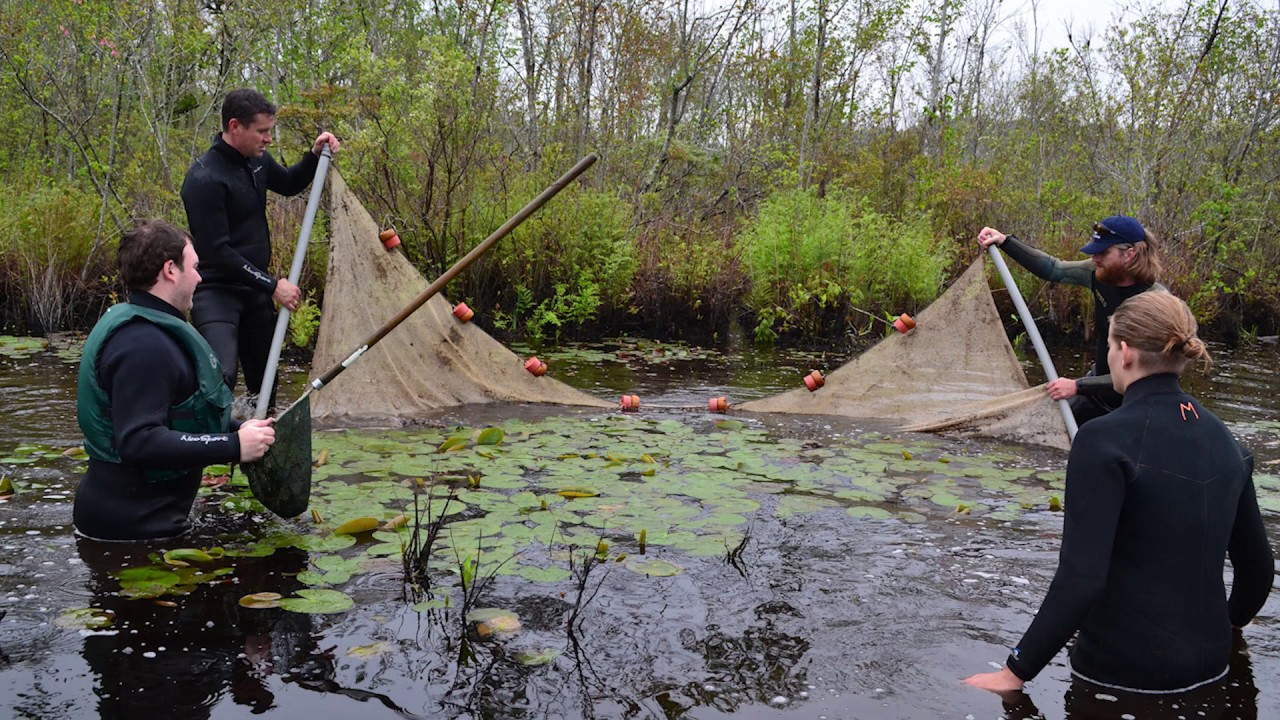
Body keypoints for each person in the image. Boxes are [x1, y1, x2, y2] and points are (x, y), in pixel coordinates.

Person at [964, 291, 1273, 696]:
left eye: (1110, 345)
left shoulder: (1101, 440)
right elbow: (1258, 568)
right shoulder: (1227, 440)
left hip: (1119, 671)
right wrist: (1228, 629)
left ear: (1124, 352)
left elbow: (1081, 579)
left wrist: (1014, 671)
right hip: (1212, 664)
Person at [74, 220, 276, 541]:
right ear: (171, 270)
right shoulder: (143, 345)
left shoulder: (151, 330)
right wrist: (233, 447)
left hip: (149, 520)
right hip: (133, 530)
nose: (200, 276)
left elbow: (182, 416)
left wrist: (239, 430)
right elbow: (140, 440)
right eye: (194, 267)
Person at [181, 87, 339, 401]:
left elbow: (291, 183)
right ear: (235, 126)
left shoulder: (258, 162)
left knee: (264, 385)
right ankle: (207, 441)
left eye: (270, 131)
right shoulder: (204, 178)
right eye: (262, 132)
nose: (268, 139)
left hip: (255, 295)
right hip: (216, 292)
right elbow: (218, 252)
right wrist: (272, 285)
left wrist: (313, 155)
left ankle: (258, 439)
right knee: (220, 377)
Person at [976, 215, 1162, 425]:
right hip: (1095, 393)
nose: (1095, 258)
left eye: (1103, 253)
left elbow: (1143, 376)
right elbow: (1053, 269)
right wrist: (1005, 242)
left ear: (1129, 254)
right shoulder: (1097, 272)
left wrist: (1078, 386)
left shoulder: (1156, 302)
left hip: (1135, 405)